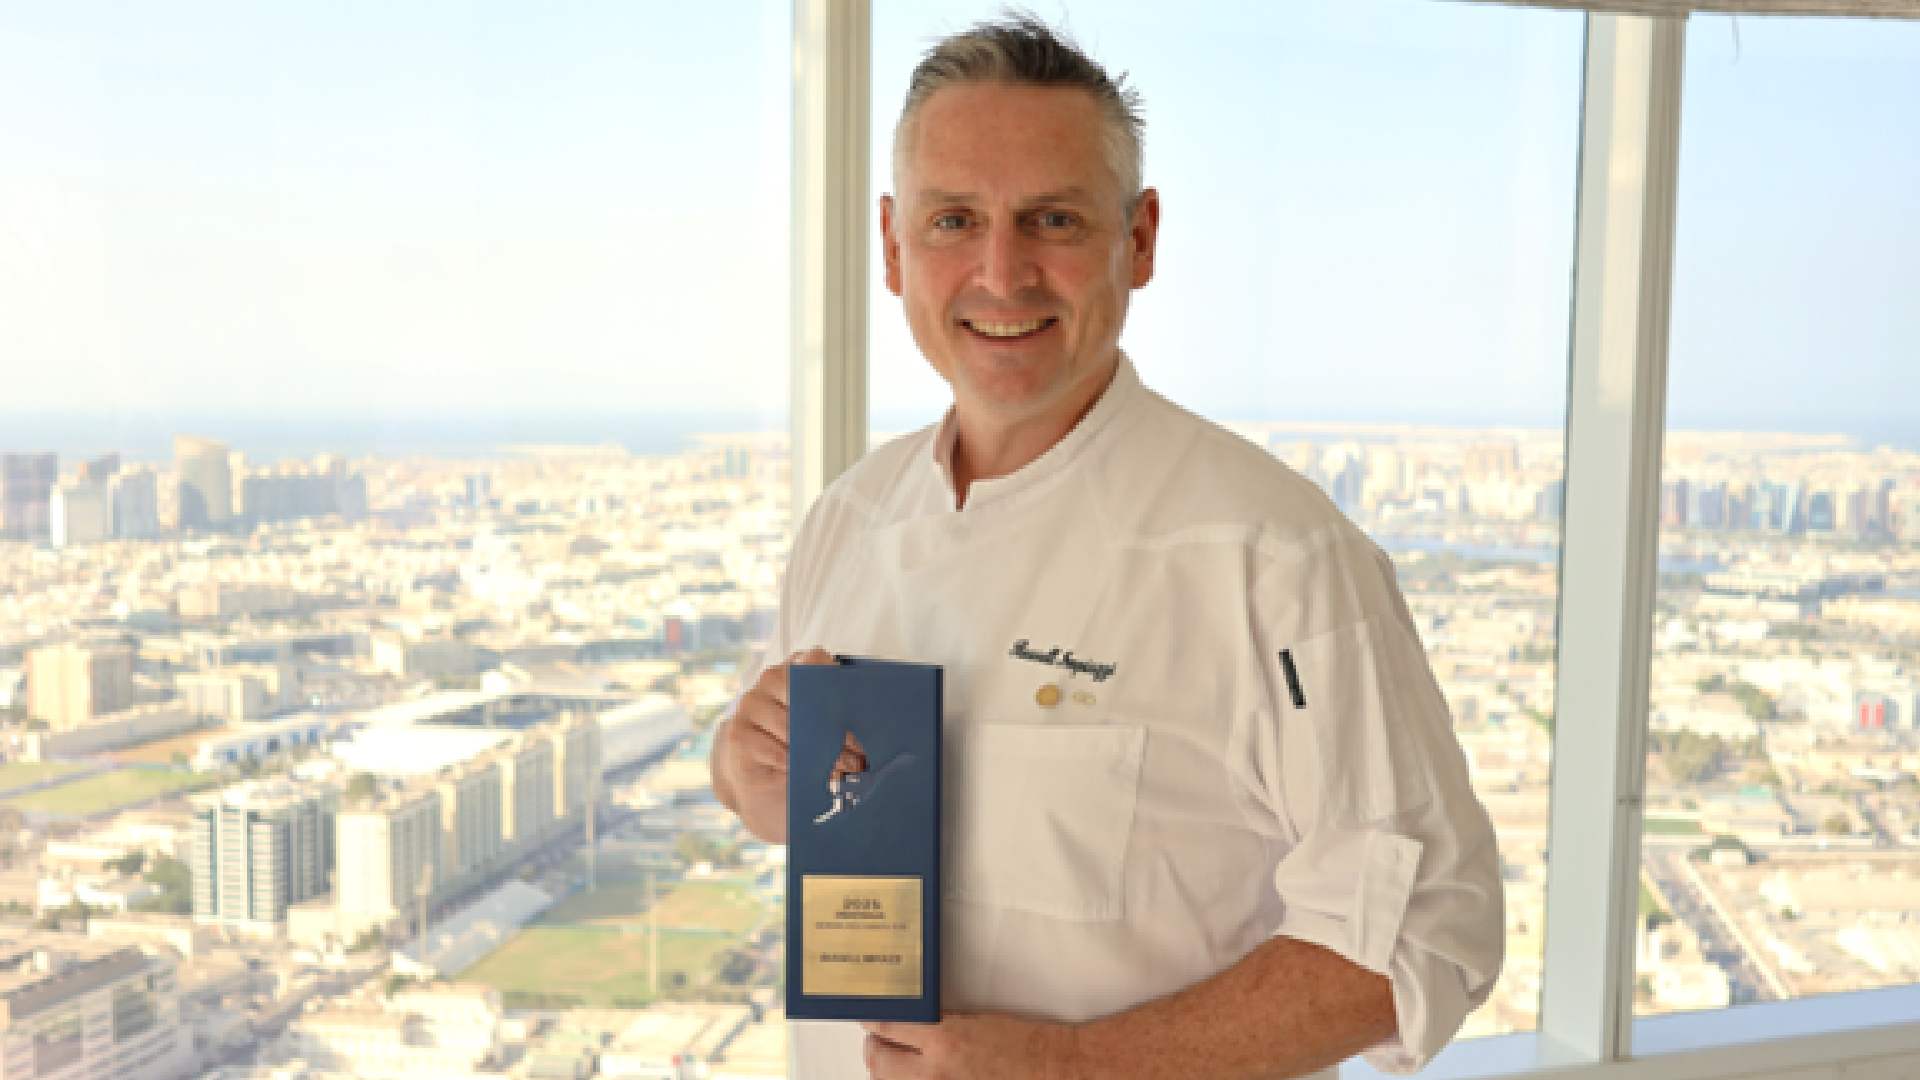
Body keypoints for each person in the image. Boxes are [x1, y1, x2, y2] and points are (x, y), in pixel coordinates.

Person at [709, 14, 1503, 1079]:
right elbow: (818, 806)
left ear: (1139, 240)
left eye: (1053, 219)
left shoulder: (1276, 558)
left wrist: (1070, 1065)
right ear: (895, 248)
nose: (1002, 272)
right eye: (954, 221)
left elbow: (1425, 936)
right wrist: (744, 774)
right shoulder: (847, 523)